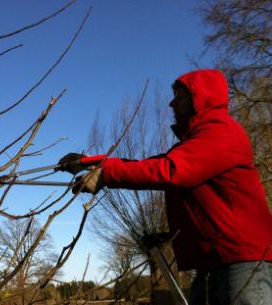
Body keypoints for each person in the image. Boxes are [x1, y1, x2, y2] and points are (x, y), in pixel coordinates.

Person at [61, 69, 272, 305]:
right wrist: (90, 161)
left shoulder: (221, 132)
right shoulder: (195, 142)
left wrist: (106, 175)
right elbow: (151, 164)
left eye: (179, 97)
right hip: (214, 260)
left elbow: (170, 171)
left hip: (241, 260)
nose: (171, 103)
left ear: (200, 99)